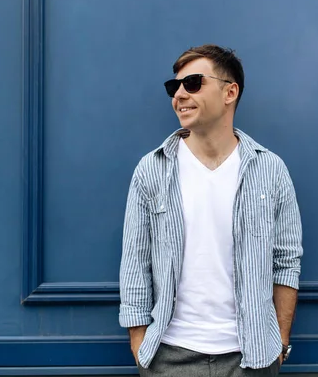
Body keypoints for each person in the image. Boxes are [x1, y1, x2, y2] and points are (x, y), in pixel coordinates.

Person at [119, 44, 303, 376]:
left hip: (252, 357)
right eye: (173, 87)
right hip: (168, 357)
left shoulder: (271, 170)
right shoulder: (152, 170)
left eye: (193, 83)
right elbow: (135, 262)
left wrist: (280, 342)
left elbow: (286, 262)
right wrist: (139, 344)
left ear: (229, 91)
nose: (179, 95)